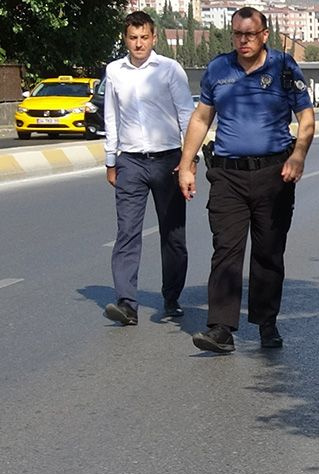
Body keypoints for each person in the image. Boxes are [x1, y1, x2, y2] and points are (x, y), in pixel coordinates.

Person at [177, 5, 314, 353]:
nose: (243, 41)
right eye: (237, 34)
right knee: (226, 249)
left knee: (268, 251)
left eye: (249, 34)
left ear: (264, 35)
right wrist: (186, 164)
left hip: (274, 173)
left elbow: (306, 117)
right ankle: (221, 328)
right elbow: (201, 118)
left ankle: (267, 324)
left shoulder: (284, 67)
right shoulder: (218, 69)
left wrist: (298, 156)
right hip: (228, 175)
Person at [102, 10, 192, 326]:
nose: (138, 44)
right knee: (127, 232)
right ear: (125, 39)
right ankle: (126, 303)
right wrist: (111, 160)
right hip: (130, 162)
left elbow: (186, 115)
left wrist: (188, 162)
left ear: (154, 38)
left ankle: (172, 297)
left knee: (173, 234)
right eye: (132, 37)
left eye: (144, 37)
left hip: (169, 160)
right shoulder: (114, 71)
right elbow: (111, 118)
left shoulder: (170, 69)